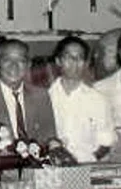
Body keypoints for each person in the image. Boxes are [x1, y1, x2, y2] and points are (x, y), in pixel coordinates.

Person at [0, 38, 57, 150]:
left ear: (28, 64)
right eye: (7, 60)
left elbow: (49, 138)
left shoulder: (42, 97)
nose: (14, 66)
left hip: (37, 166)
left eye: (21, 61)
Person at [47, 35, 116, 163]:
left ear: (86, 63)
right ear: (58, 61)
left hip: (88, 167)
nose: (75, 62)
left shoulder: (98, 100)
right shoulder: (45, 98)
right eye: (69, 57)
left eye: (80, 58)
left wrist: (89, 159)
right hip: (50, 169)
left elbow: (106, 143)